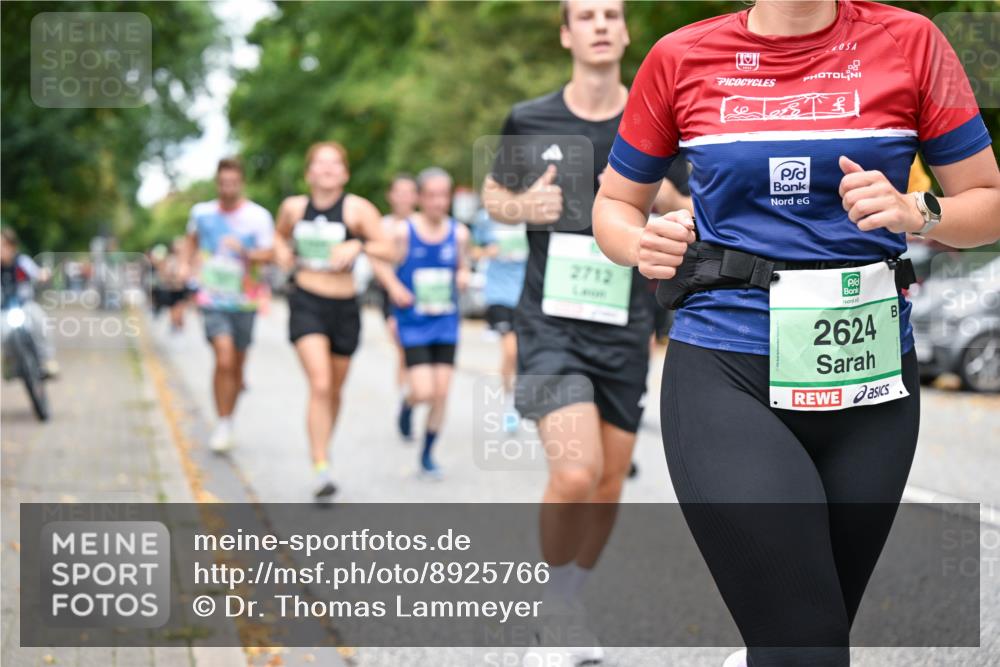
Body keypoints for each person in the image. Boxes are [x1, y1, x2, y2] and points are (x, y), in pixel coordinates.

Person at [592, 1, 999, 666]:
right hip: (727, 367)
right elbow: (613, 203)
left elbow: (987, 200)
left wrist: (915, 211)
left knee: (815, 624)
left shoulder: (913, 42)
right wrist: (642, 241)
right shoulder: (680, 57)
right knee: (806, 641)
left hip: (869, 378)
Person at [481, 1, 678, 662]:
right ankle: (554, 610)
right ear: (566, 34)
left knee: (610, 481)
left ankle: (568, 600)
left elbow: (687, 198)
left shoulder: (654, 119)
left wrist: (664, 199)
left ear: (624, 32)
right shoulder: (530, 117)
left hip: (625, 323)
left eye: (611, 14)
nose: (600, 23)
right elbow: (492, 196)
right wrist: (521, 205)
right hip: (549, 322)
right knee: (576, 472)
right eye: (586, 14)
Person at [273, 142, 396, 503]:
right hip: (306, 300)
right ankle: (320, 466)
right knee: (321, 383)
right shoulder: (293, 208)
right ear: (309, 172)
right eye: (319, 163)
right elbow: (279, 237)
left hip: (345, 307)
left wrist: (358, 246)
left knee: (335, 390)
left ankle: (323, 448)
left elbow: (389, 249)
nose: (327, 169)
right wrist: (282, 255)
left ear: (344, 173)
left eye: (335, 163)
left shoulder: (358, 209)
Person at [183, 157, 275, 453]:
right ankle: (222, 423)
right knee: (223, 359)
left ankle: (230, 418)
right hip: (212, 297)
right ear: (217, 183)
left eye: (233, 183)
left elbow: (270, 253)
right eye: (223, 183)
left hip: (245, 300)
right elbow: (191, 242)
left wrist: (246, 251)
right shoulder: (202, 213)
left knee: (235, 364)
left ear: (241, 183)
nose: (228, 188)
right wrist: (186, 266)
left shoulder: (258, 217)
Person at [383, 167, 470, 478]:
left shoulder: (459, 233)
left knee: (442, 392)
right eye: (431, 195)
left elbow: (464, 265)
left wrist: (463, 275)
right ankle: (408, 405)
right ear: (419, 197)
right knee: (423, 391)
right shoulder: (402, 232)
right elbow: (383, 266)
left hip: (446, 321)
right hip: (414, 323)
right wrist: (394, 292)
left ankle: (428, 454)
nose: (438, 202)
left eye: (443, 195)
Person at [470, 204, 527, 432]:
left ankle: (518, 393)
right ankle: (510, 402)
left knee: (525, 353)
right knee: (511, 351)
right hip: (499, 293)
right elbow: (471, 250)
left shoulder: (532, 212)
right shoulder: (485, 217)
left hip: (528, 292)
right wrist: (486, 252)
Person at [371, 174, 419, 394]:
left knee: (417, 348)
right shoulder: (382, 226)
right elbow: (375, 260)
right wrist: (393, 286)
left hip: (423, 295)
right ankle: (405, 398)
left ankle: (416, 391)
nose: (404, 198)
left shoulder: (424, 223)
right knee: (404, 347)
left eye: (409, 193)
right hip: (392, 298)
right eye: (399, 193)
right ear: (390, 196)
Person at [0, 227, 58, 378]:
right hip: (4, 310)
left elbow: (36, 272)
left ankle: (47, 360)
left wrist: (43, 275)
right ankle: (9, 362)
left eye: (3, 245)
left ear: (11, 246)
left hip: (25, 305)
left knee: (41, 321)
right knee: (3, 333)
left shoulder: (22, 261)